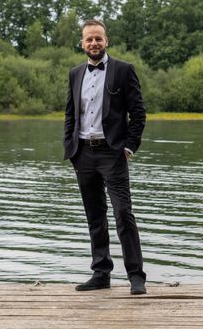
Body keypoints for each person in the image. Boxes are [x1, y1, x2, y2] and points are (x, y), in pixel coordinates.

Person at [63, 19, 147, 295]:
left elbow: (138, 113)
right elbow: (70, 116)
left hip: (113, 152)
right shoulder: (76, 73)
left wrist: (128, 147)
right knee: (95, 215)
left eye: (98, 39)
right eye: (89, 39)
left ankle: (136, 276)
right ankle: (101, 273)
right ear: (82, 43)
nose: (94, 44)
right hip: (83, 152)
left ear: (106, 41)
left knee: (123, 213)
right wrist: (71, 149)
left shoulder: (123, 70)